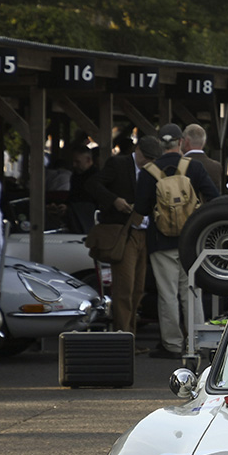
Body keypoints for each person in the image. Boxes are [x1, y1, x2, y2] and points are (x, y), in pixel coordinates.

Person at [142, 124, 219, 359]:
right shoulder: (193, 168)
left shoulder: (149, 171)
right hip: (191, 240)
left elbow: (141, 207)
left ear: (160, 143)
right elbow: (214, 196)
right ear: (180, 142)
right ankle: (195, 343)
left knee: (167, 294)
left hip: (160, 241)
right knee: (191, 291)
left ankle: (172, 344)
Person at [86, 136, 153, 335]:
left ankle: (129, 337)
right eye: (146, 156)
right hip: (124, 234)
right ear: (137, 149)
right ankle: (123, 337)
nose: (148, 161)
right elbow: (93, 184)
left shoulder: (152, 170)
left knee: (138, 289)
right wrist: (114, 200)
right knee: (124, 289)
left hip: (144, 234)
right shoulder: (118, 163)